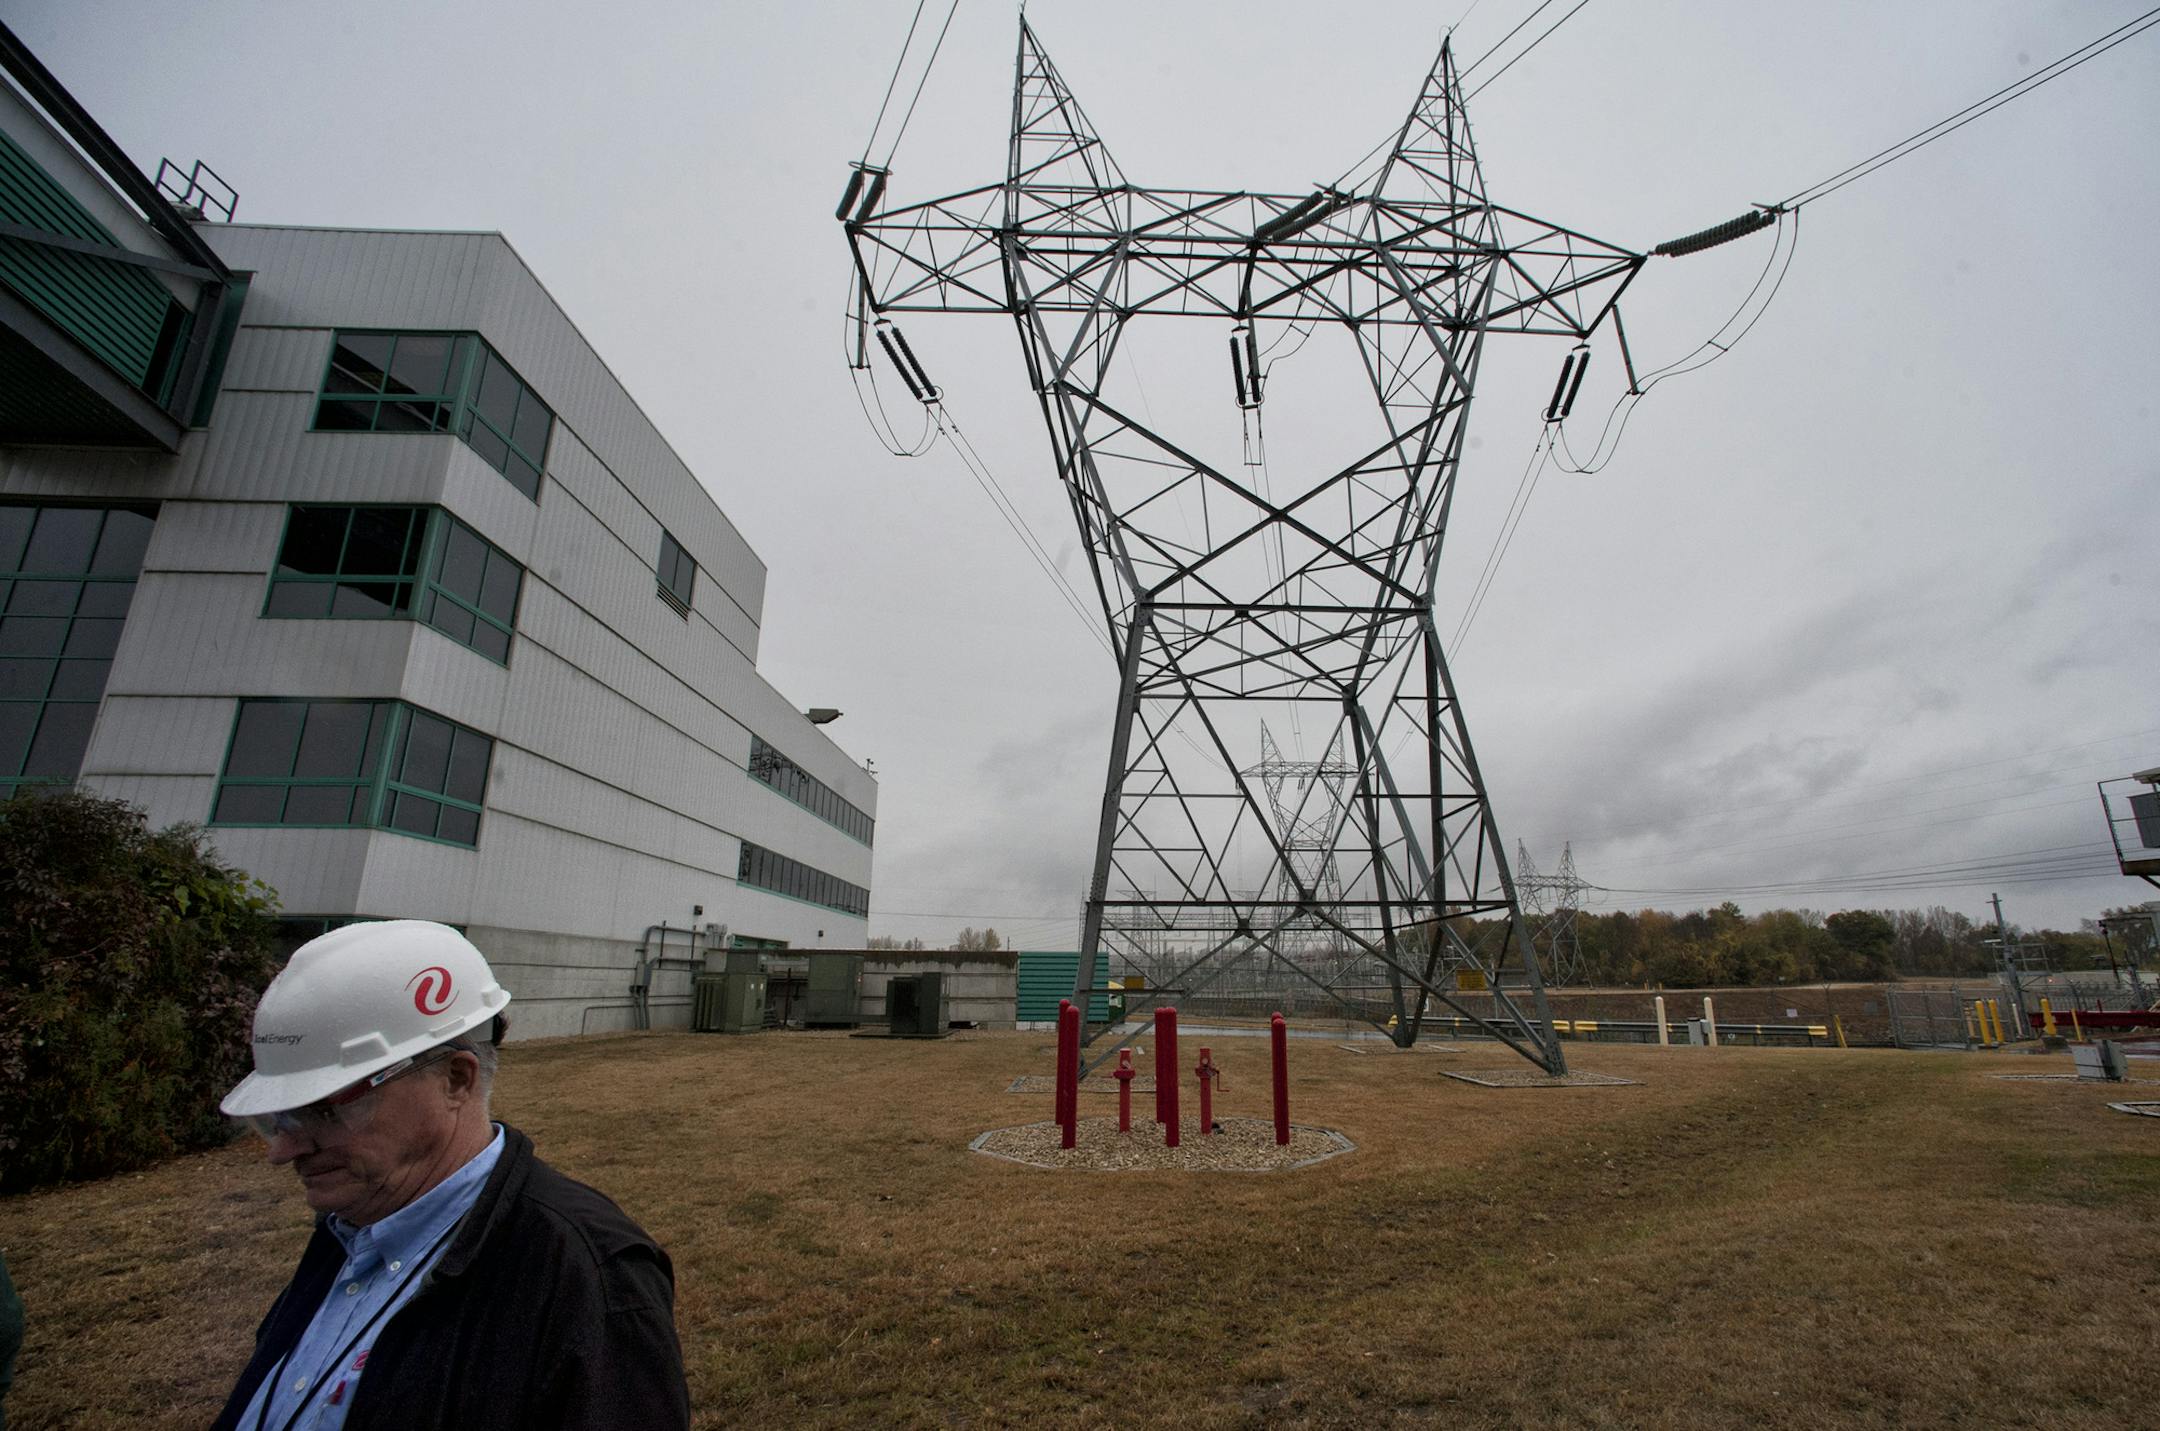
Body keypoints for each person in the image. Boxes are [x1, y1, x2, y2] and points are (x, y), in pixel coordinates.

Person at [211, 921, 688, 1431]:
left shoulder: (587, 1277)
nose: (282, 1150)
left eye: (326, 1110)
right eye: (279, 1117)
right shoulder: (349, 1228)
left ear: (456, 1079)